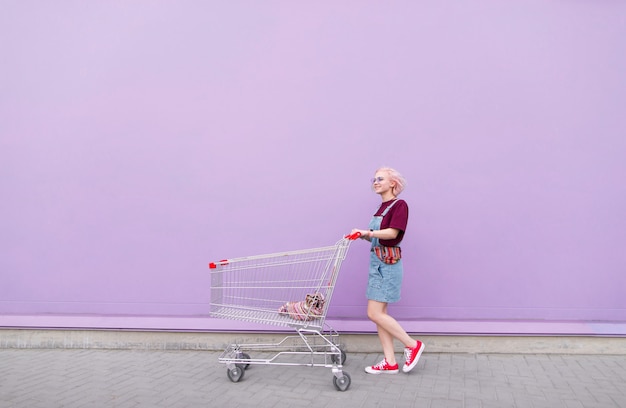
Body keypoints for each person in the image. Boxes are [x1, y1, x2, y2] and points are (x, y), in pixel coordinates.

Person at [351, 167, 425, 374]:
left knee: (374, 313)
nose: (375, 182)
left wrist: (368, 231)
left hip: (387, 265)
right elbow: (378, 235)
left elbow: (393, 232)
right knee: (380, 313)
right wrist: (363, 235)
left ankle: (412, 345)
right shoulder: (381, 208)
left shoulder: (399, 205)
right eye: (374, 179)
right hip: (377, 263)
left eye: (380, 179)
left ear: (393, 183)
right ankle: (390, 361)